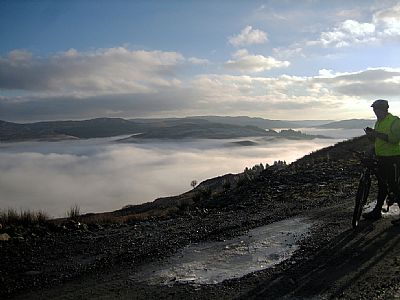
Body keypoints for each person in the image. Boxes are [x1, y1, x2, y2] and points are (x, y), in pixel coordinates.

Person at [363, 99, 400, 222]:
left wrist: (376, 134)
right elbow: (377, 141)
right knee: (382, 185)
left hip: (394, 157)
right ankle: (377, 211)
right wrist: (371, 137)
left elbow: (394, 139)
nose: (375, 112)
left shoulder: (395, 121)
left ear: (384, 109)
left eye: (377, 109)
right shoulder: (378, 122)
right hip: (381, 157)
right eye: (374, 109)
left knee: (394, 185)